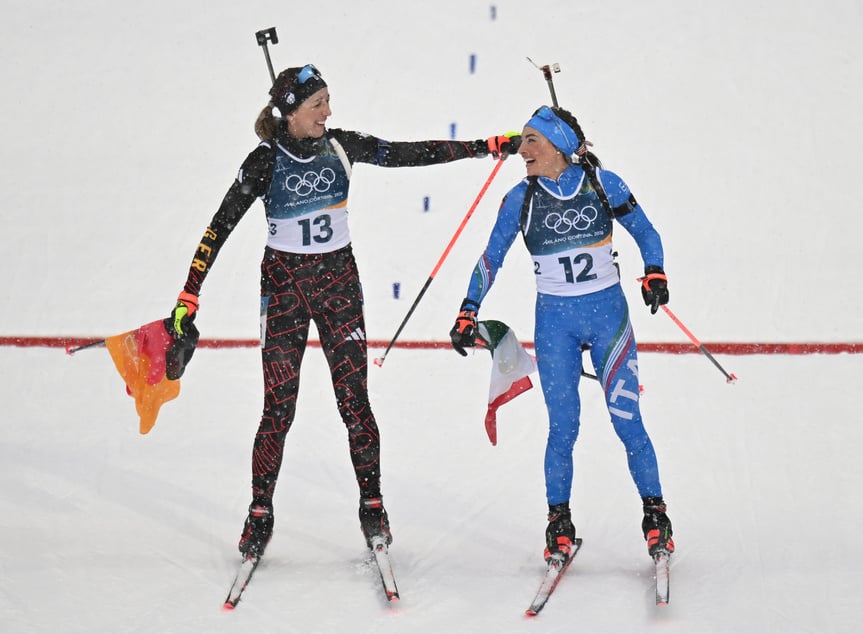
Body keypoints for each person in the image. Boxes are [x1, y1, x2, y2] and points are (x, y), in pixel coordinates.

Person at [168, 64, 518, 560]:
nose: (329, 112)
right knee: (278, 408)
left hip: (338, 289)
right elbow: (217, 228)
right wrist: (189, 295)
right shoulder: (265, 161)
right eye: (318, 105)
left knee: (355, 403)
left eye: (328, 101)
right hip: (285, 292)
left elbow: (407, 153)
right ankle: (259, 512)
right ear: (291, 112)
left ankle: (372, 506)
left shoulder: (342, 146)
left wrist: (484, 146)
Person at [448, 105, 675, 564]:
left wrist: (655, 273)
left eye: (532, 140)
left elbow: (647, 232)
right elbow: (491, 257)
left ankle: (656, 518)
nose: (522, 149)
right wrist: (468, 309)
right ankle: (559, 523)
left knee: (627, 422)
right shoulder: (520, 198)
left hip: (608, 320)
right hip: (556, 327)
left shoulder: (603, 185)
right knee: (563, 427)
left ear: (561, 146)